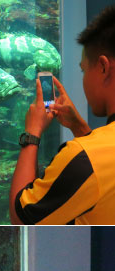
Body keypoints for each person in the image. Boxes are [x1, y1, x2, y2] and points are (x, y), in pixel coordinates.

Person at [9, 5, 115, 224]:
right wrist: (82, 131)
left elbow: (21, 218)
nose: (83, 79)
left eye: (83, 69)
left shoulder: (83, 159)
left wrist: (32, 134)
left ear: (104, 67)